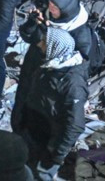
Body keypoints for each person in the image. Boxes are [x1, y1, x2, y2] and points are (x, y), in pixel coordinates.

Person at [13, 28, 88, 181]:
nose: (40, 45)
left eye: (44, 42)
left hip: (47, 140)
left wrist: (57, 154)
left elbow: (76, 124)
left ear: (55, 48)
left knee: (39, 174)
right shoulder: (52, 64)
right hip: (33, 128)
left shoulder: (73, 84)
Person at [40, 0, 98, 67]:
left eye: (55, 6)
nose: (50, 8)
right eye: (50, 3)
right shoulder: (50, 13)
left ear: (66, 10)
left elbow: (77, 67)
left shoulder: (82, 37)